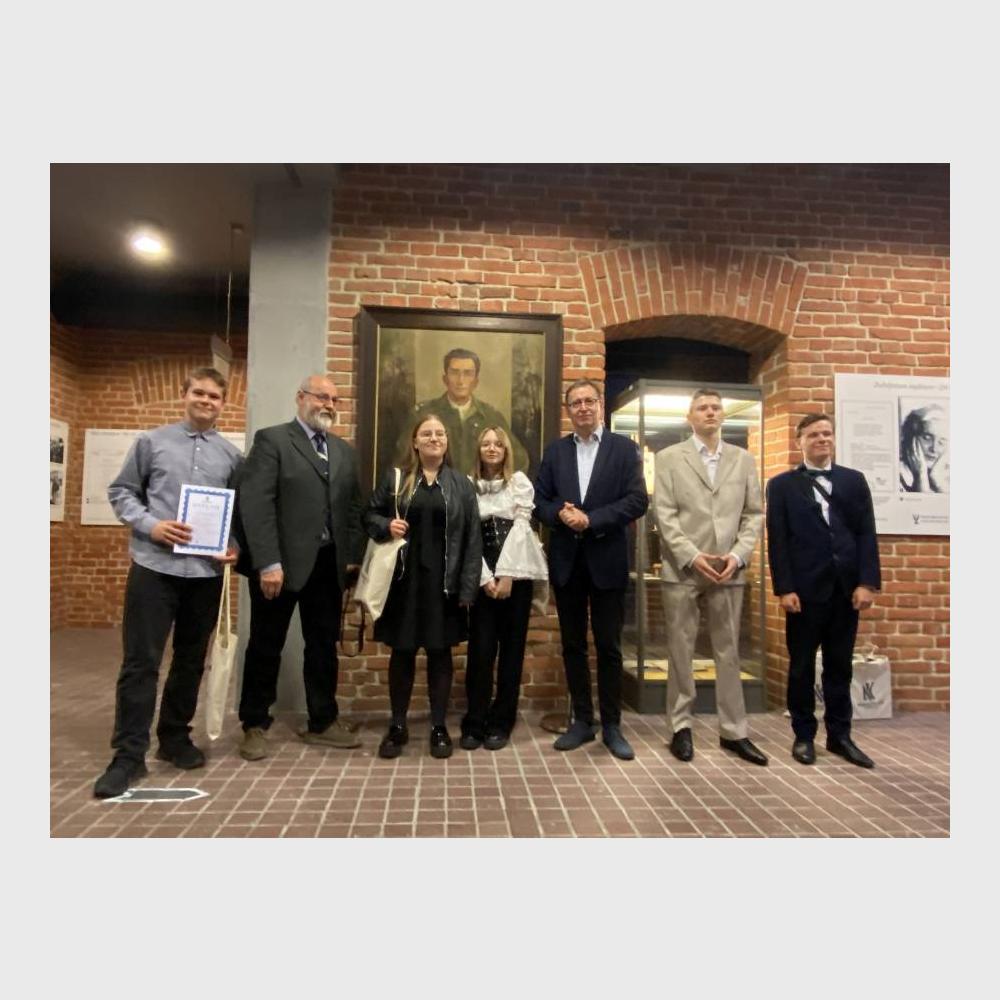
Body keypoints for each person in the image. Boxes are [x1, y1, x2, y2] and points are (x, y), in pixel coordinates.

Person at [93, 367, 242, 798]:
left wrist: (232, 546)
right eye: (199, 393)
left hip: (204, 574)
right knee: (141, 662)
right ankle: (128, 755)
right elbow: (122, 492)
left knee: (191, 661)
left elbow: (235, 515)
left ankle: (174, 737)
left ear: (223, 403)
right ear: (185, 394)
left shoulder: (231, 458)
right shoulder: (151, 442)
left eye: (214, 396)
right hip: (154, 568)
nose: (206, 401)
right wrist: (151, 526)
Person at [234, 374, 364, 760]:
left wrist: (350, 557)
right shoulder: (273, 441)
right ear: (300, 397)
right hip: (280, 565)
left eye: (334, 400)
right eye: (321, 397)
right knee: (266, 644)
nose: (328, 405)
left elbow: (353, 509)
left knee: (322, 646)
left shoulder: (343, 452)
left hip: (327, 565)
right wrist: (267, 562)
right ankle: (254, 724)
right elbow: (256, 504)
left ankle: (322, 721)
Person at [533, 379, 648, 760]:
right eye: (575, 403)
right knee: (573, 645)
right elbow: (539, 501)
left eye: (588, 401)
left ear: (600, 405)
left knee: (609, 646)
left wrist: (592, 519)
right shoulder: (556, 452)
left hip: (607, 562)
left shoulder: (624, 449)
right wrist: (560, 515)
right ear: (568, 410)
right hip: (567, 564)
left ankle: (612, 725)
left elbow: (637, 500)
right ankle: (582, 720)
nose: (582, 408)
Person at [653, 389, 767, 766]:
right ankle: (680, 727)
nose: (710, 413)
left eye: (716, 407)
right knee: (680, 650)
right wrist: (691, 555)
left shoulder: (743, 459)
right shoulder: (669, 458)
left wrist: (738, 555)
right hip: (684, 567)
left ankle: (734, 731)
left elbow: (753, 514)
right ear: (690, 417)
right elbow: (664, 514)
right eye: (702, 408)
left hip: (728, 568)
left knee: (729, 651)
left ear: (723, 415)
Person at [766, 413, 882, 768]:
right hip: (804, 591)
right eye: (814, 434)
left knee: (839, 666)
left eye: (827, 433)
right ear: (799, 441)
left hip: (845, 589)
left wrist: (867, 582)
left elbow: (866, 533)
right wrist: (784, 588)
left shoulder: (853, 480)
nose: (822, 439)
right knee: (801, 666)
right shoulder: (782, 485)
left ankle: (840, 736)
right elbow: (778, 540)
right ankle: (803, 735)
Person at [364, 415, 482, 759]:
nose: (434, 438)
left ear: (446, 441)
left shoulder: (461, 484)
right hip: (403, 582)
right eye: (426, 433)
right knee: (402, 653)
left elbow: (472, 538)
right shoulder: (396, 478)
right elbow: (369, 516)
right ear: (415, 442)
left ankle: (438, 727)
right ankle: (397, 726)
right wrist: (387, 524)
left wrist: (468, 588)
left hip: (444, 585)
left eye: (440, 433)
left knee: (440, 653)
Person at [460, 427, 548, 752]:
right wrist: (485, 578)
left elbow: (522, 529)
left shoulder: (518, 483)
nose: (492, 448)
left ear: (506, 450)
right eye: (486, 443)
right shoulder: (468, 486)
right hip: (481, 577)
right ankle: (474, 721)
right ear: (478, 450)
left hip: (516, 575)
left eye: (498, 443)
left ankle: (502, 721)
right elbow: (468, 535)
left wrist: (508, 574)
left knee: (512, 652)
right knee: (480, 652)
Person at [399, 348, 529, 475]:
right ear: (445, 379)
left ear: (476, 381)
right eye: (454, 372)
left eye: (467, 374)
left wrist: (495, 484)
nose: (460, 381)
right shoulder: (422, 415)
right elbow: (402, 461)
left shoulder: (491, 417)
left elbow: (519, 461)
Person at [899, 403, 949, 493]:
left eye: (942, 442)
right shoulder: (899, 474)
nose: (934, 449)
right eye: (927, 438)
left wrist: (937, 482)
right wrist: (920, 475)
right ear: (911, 436)